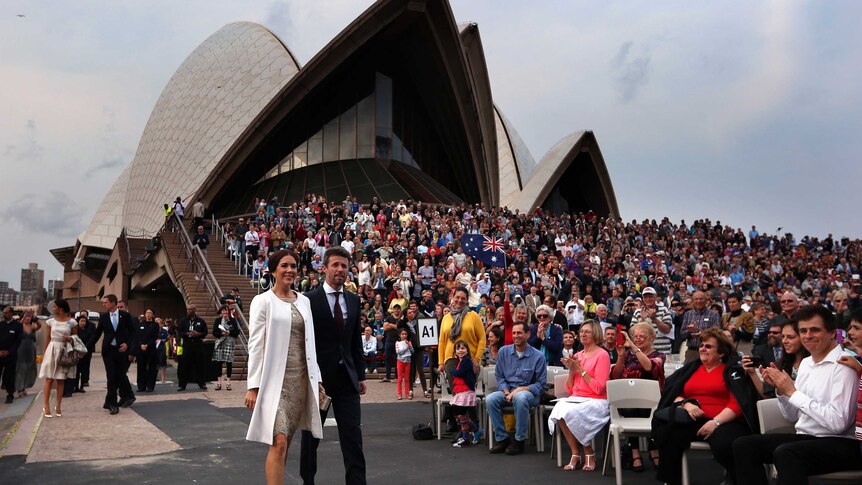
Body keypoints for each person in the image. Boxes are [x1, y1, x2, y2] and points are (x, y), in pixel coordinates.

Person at [733, 306, 862, 484]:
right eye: (803, 331)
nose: (808, 336)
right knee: (744, 445)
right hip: (806, 437)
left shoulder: (844, 364)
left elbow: (838, 424)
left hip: (843, 443)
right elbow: (792, 416)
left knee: (786, 453)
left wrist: (792, 392)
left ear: (832, 333)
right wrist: (782, 391)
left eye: (815, 330)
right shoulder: (807, 363)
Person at [245, 249, 322, 485]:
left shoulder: (305, 301)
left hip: (299, 381)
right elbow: (256, 344)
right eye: (284, 266)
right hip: (273, 383)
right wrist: (253, 386)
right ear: (273, 271)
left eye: (294, 266)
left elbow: (311, 344)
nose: (290, 270)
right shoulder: (262, 301)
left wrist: (317, 379)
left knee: (286, 440)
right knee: (277, 441)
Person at [653, 327, 758, 485]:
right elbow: (674, 394)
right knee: (668, 433)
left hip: (725, 421)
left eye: (708, 346)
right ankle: (672, 480)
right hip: (692, 418)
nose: (702, 348)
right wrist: (687, 404)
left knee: (725, 443)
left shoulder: (732, 370)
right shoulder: (691, 368)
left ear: (721, 352)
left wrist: (715, 422)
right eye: (701, 345)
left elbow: (738, 402)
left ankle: (735, 478)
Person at [301, 246, 367, 485]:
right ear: (324, 268)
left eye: (344, 265)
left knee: (353, 438)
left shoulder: (353, 299)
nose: (340, 269)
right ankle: (308, 481)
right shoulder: (308, 301)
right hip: (319, 382)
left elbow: (355, 340)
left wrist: (360, 374)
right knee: (311, 440)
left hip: (347, 380)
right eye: (335, 265)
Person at [548, 320, 611, 472]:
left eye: (587, 332)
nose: (583, 334)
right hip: (577, 398)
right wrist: (571, 370)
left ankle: (588, 450)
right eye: (581, 331)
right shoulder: (578, 355)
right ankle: (575, 452)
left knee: (569, 411)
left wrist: (580, 370)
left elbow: (599, 388)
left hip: (596, 400)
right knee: (559, 409)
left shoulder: (602, 355)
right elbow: (570, 389)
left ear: (595, 334)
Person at [610, 321, 666, 471]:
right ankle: (635, 452)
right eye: (636, 337)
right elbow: (616, 376)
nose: (639, 339)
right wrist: (621, 355)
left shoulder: (659, 355)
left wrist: (633, 347)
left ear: (652, 338)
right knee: (629, 408)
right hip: (629, 402)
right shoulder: (627, 354)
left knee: (652, 412)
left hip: (652, 402)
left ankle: (653, 448)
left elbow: (649, 366)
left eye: (643, 336)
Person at [487, 321, 547, 456]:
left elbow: (541, 385)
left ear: (527, 334)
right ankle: (502, 438)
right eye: (514, 333)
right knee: (490, 399)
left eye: (519, 333)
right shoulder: (503, 351)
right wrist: (507, 391)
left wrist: (520, 390)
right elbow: (500, 377)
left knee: (520, 398)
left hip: (529, 394)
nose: (515, 336)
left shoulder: (538, 356)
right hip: (507, 391)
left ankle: (519, 440)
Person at [744, 320, 810, 399]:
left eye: (790, 337)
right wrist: (752, 373)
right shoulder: (780, 364)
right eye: (783, 337)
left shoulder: (815, 363)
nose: (784, 341)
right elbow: (767, 395)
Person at [95, 294, 136, 414]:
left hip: (121, 351)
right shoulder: (103, 317)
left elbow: (134, 333)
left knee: (119, 376)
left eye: (105, 302)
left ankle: (110, 401)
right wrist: (85, 347)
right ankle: (112, 404)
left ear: (113, 303)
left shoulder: (126, 316)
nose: (103, 304)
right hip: (108, 351)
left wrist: (127, 344)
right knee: (111, 376)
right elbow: (97, 334)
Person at [38, 299, 77, 417]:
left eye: (54, 306)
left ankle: (58, 406)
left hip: (65, 350)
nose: (52, 308)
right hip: (52, 348)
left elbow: (76, 338)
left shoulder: (72, 322)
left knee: (61, 379)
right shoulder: (50, 322)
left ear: (60, 308)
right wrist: (45, 354)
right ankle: (46, 405)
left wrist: (69, 338)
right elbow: (48, 339)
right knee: (49, 379)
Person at [437, 287, 486, 378]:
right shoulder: (446, 317)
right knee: (456, 391)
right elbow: (442, 341)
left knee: (468, 391)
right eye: (457, 297)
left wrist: (476, 359)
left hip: (470, 359)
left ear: (467, 300)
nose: (459, 300)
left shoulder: (474, 316)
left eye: (463, 298)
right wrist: (441, 362)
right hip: (450, 359)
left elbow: (482, 339)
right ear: (453, 297)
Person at [449, 340, 483, 447]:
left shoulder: (467, 361)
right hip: (462, 390)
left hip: (466, 391)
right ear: (455, 351)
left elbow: (460, 373)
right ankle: (472, 433)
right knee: (460, 414)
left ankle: (468, 436)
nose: (460, 351)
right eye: (458, 349)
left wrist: (451, 370)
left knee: (461, 414)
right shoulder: (462, 361)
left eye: (463, 348)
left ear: (467, 350)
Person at [680, 291, 721, 362]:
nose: (699, 301)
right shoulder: (688, 314)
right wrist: (689, 331)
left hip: (709, 352)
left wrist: (703, 334)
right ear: (692, 301)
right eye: (696, 299)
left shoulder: (714, 315)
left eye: (701, 299)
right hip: (692, 352)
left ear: (706, 301)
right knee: (689, 372)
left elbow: (718, 335)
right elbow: (682, 335)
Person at [631, 287, 674, 355]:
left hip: (663, 351)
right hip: (643, 352)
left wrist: (655, 319)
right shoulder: (637, 312)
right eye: (645, 297)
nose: (648, 299)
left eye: (650, 297)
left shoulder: (664, 310)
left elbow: (667, 330)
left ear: (655, 297)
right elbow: (632, 333)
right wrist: (642, 319)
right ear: (643, 298)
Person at [177, 304, 208, 391]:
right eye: (188, 309)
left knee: (200, 365)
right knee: (184, 365)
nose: (188, 311)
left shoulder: (201, 321)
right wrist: (187, 334)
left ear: (194, 310)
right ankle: (182, 385)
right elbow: (180, 332)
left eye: (190, 309)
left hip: (198, 345)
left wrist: (198, 334)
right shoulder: (183, 321)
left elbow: (205, 332)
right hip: (187, 345)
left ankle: (202, 383)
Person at [213, 306, 240, 391]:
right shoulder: (218, 320)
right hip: (220, 343)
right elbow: (214, 332)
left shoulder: (232, 320)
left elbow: (237, 331)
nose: (225, 313)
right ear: (221, 312)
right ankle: (219, 383)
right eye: (223, 311)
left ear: (228, 312)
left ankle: (228, 383)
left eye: (226, 311)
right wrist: (221, 333)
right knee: (218, 363)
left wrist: (229, 332)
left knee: (229, 363)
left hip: (229, 343)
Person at [0, 306, 23, 404]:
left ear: (11, 313)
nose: (4, 314)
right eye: (3, 313)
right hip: (0, 355)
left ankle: (10, 395)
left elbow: (18, 341)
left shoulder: (17, 326)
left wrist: (9, 352)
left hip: (11, 356)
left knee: (10, 376)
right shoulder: (1, 325)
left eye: (6, 313)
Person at [15, 311, 40, 398]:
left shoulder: (33, 326)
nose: (28, 319)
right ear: (23, 318)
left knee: (29, 369)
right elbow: (17, 325)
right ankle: (20, 389)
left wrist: (36, 320)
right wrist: (23, 318)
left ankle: (25, 387)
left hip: (31, 350)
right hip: (21, 350)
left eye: (29, 317)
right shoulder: (19, 326)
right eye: (26, 317)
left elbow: (39, 326)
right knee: (20, 369)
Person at [133, 309, 159, 393]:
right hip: (141, 349)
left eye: (150, 313)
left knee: (151, 367)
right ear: (144, 314)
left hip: (151, 348)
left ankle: (150, 386)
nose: (148, 314)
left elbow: (155, 337)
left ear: (153, 315)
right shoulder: (140, 324)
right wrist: (141, 345)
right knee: (141, 367)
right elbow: (137, 336)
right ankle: (141, 386)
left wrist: (147, 345)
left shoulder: (155, 325)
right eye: (147, 313)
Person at [74, 313, 96, 392]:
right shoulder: (75, 331)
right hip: (76, 353)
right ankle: (75, 386)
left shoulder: (88, 331)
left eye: (84, 321)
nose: (83, 323)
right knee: (76, 370)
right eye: (81, 321)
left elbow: (90, 341)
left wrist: (84, 351)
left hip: (85, 353)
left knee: (84, 370)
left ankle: (82, 386)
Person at [395, 329, 413, 400]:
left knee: (406, 379)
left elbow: (412, 351)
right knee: (399, 379)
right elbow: (398, 352)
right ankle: (399, 394)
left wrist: (410, 346)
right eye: (403, 334)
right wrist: (406, 347)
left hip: (408, 362)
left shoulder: (409, 342)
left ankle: (407, 394)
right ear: (400, 335)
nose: (404, 335)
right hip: (400, 361)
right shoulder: (397, 343)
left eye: (405, 334)